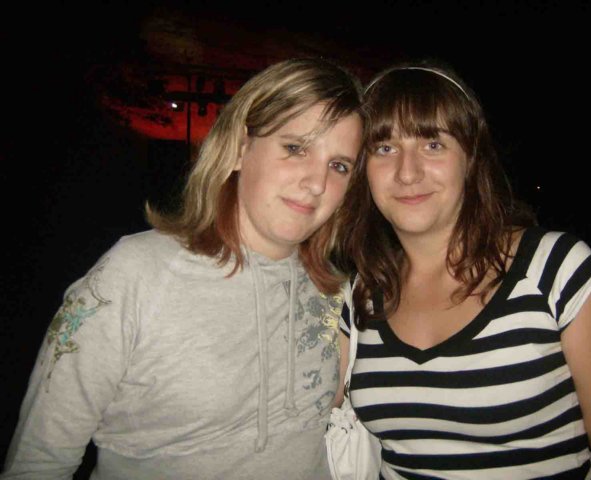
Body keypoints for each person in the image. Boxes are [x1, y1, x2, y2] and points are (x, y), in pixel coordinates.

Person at [2, 57, 364, 480]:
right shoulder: (135, 275)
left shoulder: (335, 293)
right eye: (295, 148)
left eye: (339, 165)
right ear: (239, 148)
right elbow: (38, 462)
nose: (317, 182)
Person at [335, 60, 591, 479]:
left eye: (433, 144)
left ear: (471, 158)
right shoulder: (360, 296)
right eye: (384, 148)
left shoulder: (553, 270)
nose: (407, 173)